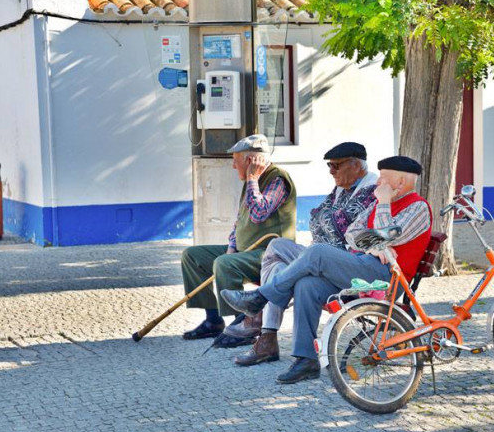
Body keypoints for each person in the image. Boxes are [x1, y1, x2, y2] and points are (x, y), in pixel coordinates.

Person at [221, 156, 432, 384]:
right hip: (361, 268)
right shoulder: (377, 202)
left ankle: (260, 297)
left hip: (386, 278)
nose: (378, 182)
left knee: (318, 252)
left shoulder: (418, 207)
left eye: (383, 178)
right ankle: (306, 360)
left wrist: (382, 206)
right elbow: (352, 233)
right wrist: (374, 244)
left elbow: (386, 232)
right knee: (307, 285)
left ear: (400, 183)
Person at [231, 142, 378, 366]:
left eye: (336, 166)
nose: (331, 171)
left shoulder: (371, 190)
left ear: (356, 165)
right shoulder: (342, 188)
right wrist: (329, 220)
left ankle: (261, 306)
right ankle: (268, 334)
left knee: (310, 255)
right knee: (277, 248)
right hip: (325, 259)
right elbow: (318, 218)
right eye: (329, 165)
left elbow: (340, 226)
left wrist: (328, 221)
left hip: (348, 264)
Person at [180, 134, 296, 345]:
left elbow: (259, 213)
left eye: (236, 160)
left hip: (271, 255)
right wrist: (232, 247)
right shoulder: (251, 183)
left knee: (225, 264)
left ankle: (242, 327)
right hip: (245, 251)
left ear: (251, 161)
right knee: (193, 256)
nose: (233, 166)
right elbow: (240, 220)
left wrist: (253, 179)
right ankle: (213, 320)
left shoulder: (277, 178)